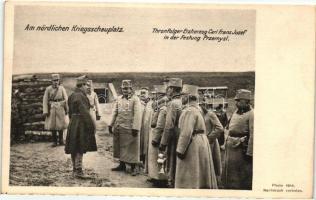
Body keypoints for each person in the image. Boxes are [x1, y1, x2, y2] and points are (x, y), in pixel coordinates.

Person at [175, 84, 217, 189]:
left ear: (188, 97)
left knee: (189, 172)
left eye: (183, 95)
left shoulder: (189, 111)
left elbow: (186, 132)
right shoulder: (197, 109)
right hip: (201, 141)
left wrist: (180, 150)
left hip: (193, 143)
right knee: (200, 171)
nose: (181, 98)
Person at [65, 75, 97, 177]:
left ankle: (75, 169)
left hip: (73, 122)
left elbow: (69, 112)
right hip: (80, 123)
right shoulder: (81, 96)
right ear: (81, 85)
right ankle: (78, 170)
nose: (88, 87)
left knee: (73, 146)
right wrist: (91, 126)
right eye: (86, 85)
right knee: (79, 146)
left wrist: (72, 122)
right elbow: (85, 113)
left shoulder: (72, 95)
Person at [109, 80, 142, 176]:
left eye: (127, 88)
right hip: (119, 127)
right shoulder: (119, 99)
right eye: (123, 88)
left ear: (131, 89)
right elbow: (115, 112)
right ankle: (122, 165)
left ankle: (134, 167)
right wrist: (110, 124)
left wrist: (136, 128)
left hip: (130, 128)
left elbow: (137, 114)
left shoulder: (135, 99)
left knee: (132, 149)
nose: (125, 90)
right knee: (120, 147)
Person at [223, 89, 254, 190]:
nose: (236, 103)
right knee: (230, 172)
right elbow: (228, 127)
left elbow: (253, 134)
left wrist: (250, 152)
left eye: (238, 101)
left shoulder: (252, 114)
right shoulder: (236, 112)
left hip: (241, 148)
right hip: (231, 146)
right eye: (236, 100)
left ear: (246, 101)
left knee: (240, 174)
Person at [159, 78, 182, 187]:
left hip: (174, 135)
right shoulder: (183, 101)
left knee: (172, 160)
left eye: (168, 88)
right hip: (183, 134)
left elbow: (169, 126)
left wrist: (163, 143)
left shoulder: (172, 104)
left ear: (172, 89)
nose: (167, 91)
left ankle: (172, 182)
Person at [200, 98, 224, 187]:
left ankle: (215, 183)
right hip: (202, 143)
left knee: (212, 163)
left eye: (203, 104)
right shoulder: (199, 114)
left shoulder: (210, 114)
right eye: (200, 104)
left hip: (210, 143)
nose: (202, 106)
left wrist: (210, 137)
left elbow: (220, 128)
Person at [148, 85, 169, 186]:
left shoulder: (163, 109)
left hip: (159, 136)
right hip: (155, 133)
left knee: (160, 158)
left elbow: (160, 126)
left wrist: (155, 139)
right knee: (155, 158)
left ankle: (161, 180)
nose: (156, 98)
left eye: (158, 96)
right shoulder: (159, 108)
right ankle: (155, 176)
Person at [43, 74, 68, 147]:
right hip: (52, 108)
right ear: (51, 81)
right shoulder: (48, 89)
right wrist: (46, 111)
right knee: (52, 125)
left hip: (60, 107)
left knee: (61, 124)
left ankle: (61, 140)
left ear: (59, 81)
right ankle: (54, 141)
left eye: (57, 80)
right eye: (54, 80)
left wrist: (65, 107)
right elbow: (45, 100)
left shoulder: (62, 88)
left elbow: (66, 98)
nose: (56, 82)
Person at [139, 87, 153, 169]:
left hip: (148, 128)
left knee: (146, 144)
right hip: (140, 127)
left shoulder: (151, 104)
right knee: (140, 144)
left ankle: (145, 162)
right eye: (141, 93)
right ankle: (140, 160)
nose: (142, 95)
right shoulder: (139, 104)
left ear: (148, 94)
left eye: (144, 93)